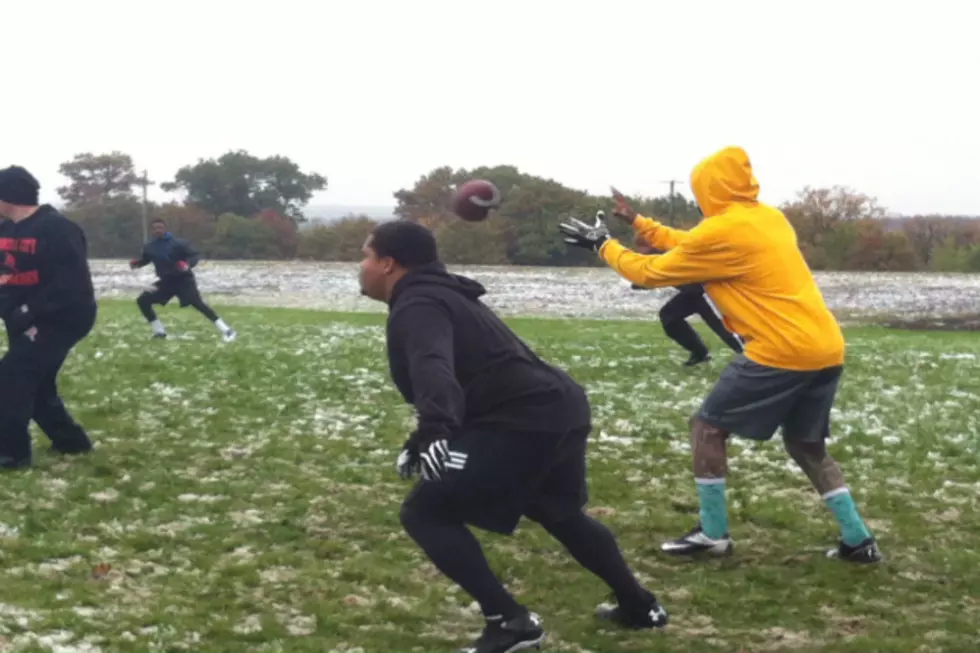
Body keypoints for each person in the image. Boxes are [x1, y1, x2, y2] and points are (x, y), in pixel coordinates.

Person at [559, 146, 881, 564]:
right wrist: (640, 224)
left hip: (780, 349)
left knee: (707, 428)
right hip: (825, 346)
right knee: (806, 445)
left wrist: (603, 245)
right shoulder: (767, 218)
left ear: (711, 189)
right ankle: (858, 539)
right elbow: (696, 244)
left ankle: (713, 534)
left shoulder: (723, 233)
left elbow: (650, 272)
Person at [358, 220, 668, 653]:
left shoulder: (420, 304)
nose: (363, 265)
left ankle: (512, 623)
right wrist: (423, 436)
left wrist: (434, 431)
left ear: (388, 263)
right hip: (558, 406)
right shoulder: (443, 294)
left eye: (366, 256)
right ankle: (639, 605)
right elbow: (475, 372)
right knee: (556, 510)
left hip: (523, 419)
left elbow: (433, 366)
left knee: (426, 512)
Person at [0, 165, 97, 469]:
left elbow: (71, 284)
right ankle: (72, 443)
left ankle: (12, 454)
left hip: (62, 318)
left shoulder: (57, 229)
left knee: (12, 377)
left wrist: (30, 312)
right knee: (37, 383)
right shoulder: (6, 229)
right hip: (21, 318)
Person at [631, 235, 744, 366]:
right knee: (669, 316)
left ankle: (752, 359)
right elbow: (656, 276)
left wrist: (643, 282)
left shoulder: (668, 253)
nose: (639, 252)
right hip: (690, 293)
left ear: (651, 245)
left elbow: (658, 274)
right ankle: (699, 352)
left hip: (706, 291)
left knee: (723, 327)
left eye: (641, 247)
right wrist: (642, 283)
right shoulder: (658, 257)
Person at [130, 219, 236, 342]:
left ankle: (226, 330)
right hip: (166, 282)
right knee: (143, 300)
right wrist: (137, 264)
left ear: (165, 229)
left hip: (184, 280)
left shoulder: (178, 243)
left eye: (160, 227)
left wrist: (187, 264)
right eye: (155, 228)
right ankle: (159, 332)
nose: (158, 230)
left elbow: (194, 255)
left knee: (197, 303)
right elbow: (146, 259)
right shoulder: (150, 247)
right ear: (152, 230)